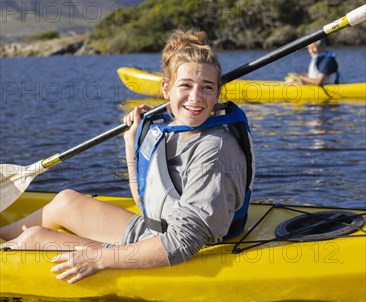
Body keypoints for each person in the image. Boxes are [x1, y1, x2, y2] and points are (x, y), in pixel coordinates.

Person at [0, 30, 254, 283]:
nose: (196, 98)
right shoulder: (170, 130)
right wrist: (131, 141)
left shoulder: (215, 151)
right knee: (65, 201)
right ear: (166, 89)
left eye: (207, 88)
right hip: (155, 232)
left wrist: (98, 258)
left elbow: (183, 242)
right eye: (185, 85)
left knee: (34, 237)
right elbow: (143, 201)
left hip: (183, 251)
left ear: (218, 93)